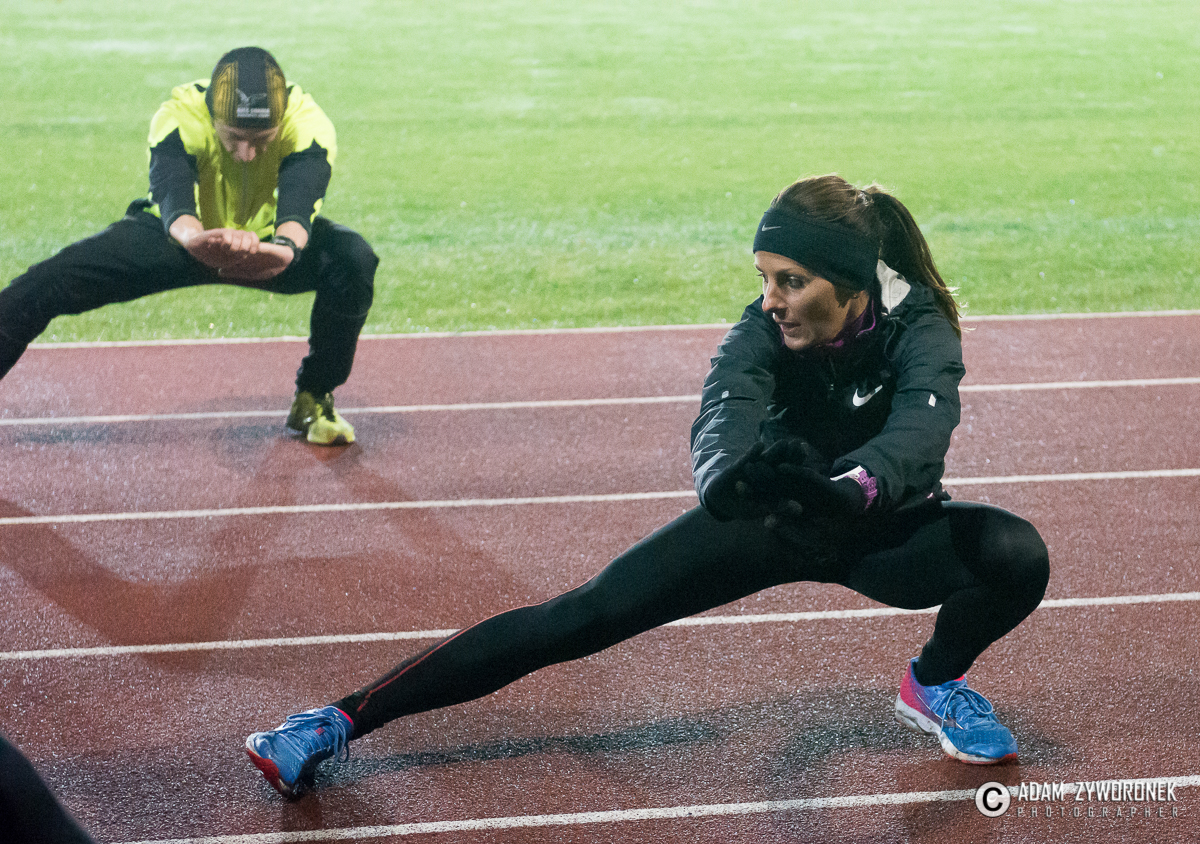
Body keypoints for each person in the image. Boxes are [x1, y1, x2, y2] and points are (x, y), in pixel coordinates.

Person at [244, 174, 1050, 798]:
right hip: (776, 518)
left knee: (1014, 555)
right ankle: (336, 721)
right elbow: (724, 411)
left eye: (791, 281)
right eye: (764, 277)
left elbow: (918, 435)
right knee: (580, 616)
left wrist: (850, 489)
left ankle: (934, 683)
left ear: (850, 285)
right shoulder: (762, 329)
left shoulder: (921, 327)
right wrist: (726, 484)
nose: (770, 301)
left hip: (884, 531)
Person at [0, 47, 376, 445]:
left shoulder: (307, 122)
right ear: (213, 118)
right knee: (47, 283)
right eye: (234, 137)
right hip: (181, 239)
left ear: (280, 123)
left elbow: (298, 209)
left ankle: (313, 399)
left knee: (353, 259)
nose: (246, 154)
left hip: (265, 245)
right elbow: (175, 202)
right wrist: (199, 242)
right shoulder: (180, 115)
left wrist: (282, 251)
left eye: (262, 140)